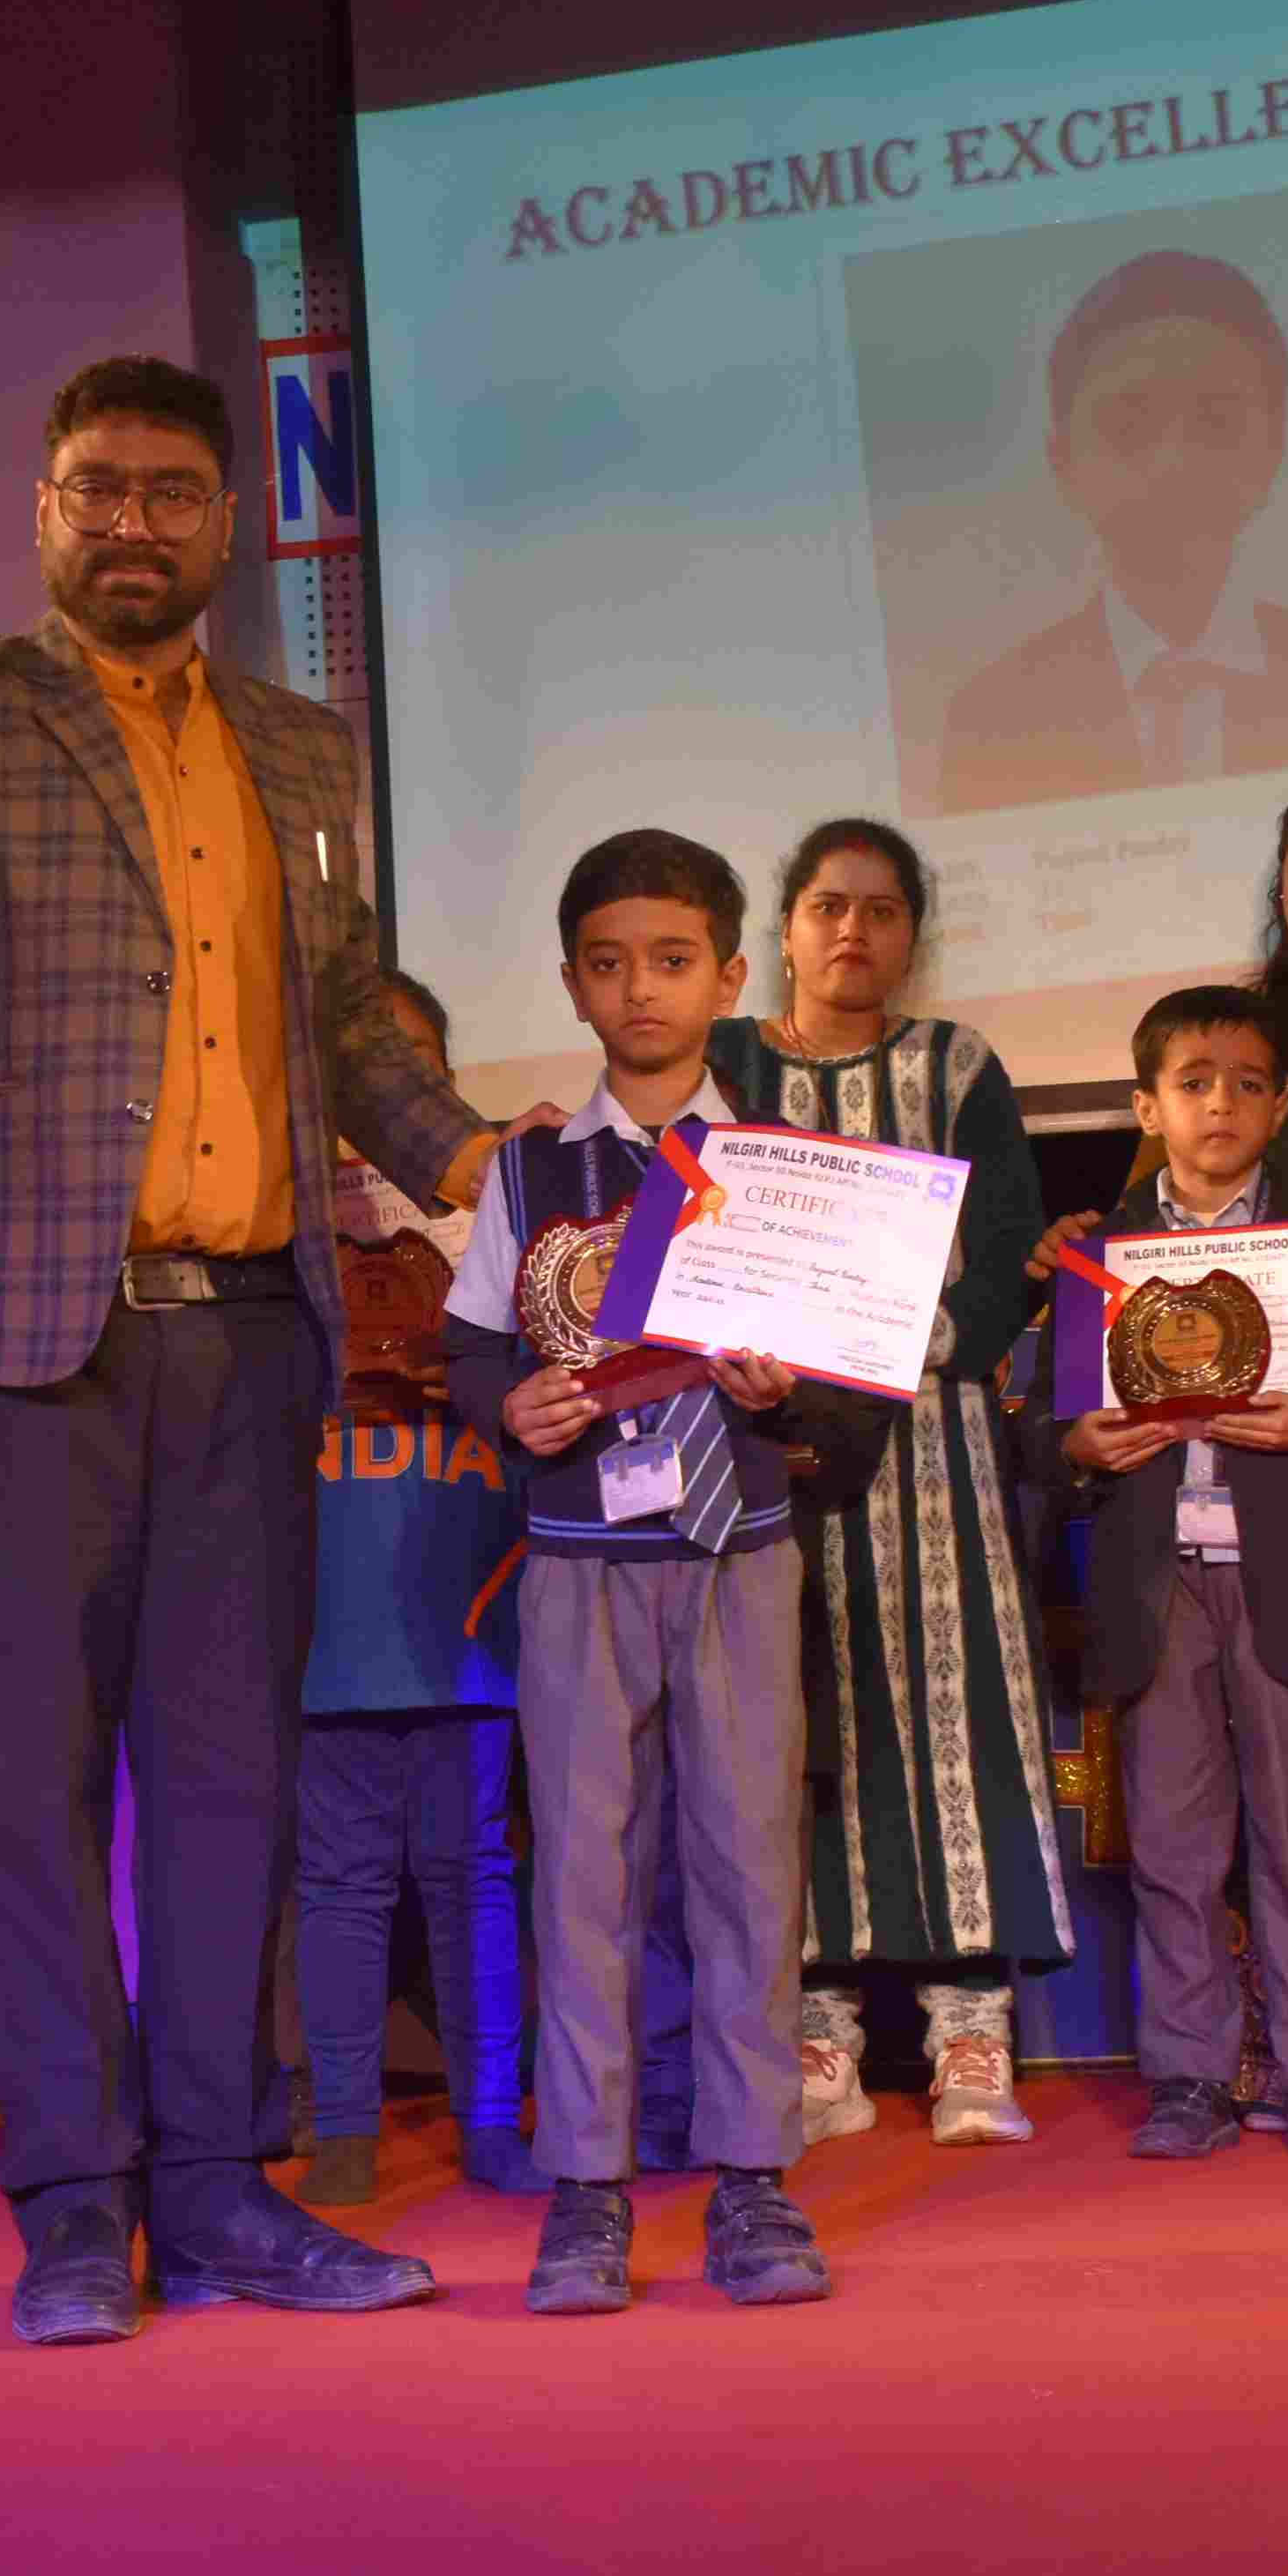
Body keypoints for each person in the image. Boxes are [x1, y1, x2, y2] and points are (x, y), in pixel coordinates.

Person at [0, 352, 497, 2348]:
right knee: (26, 1798)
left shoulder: (297, 747)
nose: (132, 522)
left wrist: (487, 1167)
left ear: (227, 525)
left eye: (172, 492)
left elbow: (345, 1023)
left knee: (225, 1795)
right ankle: (67, 2209)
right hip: (23, 1354)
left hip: (250, 1342)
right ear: (42, 511)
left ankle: (214, 2194)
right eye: (96, 487)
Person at [445, 831, 852, 2315]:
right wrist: (509, 1406)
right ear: (572, 983)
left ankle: (751, 2181)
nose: (642, 990)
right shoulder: (534, 1166)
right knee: (581, 1874)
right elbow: (474, 1346)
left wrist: (789, 1392)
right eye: (609, 964)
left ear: (732, 977)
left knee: (748, 1865)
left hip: (739, 1548)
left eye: (673, 962)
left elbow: (851, 1372)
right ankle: (587, 2190)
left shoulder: (783, 1168)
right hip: (579, 1557)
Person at [708, 821, 1072, 2145]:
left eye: (879, 910)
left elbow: (1009, 1258)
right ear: (786, 929)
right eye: (826, 907)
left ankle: (972, 2034)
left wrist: (883, 1341)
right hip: (766, 1443)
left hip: (936, 1444)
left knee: (953, 1712)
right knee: (796, 1719)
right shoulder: (727, 1065)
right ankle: (820, 2039)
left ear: (913, 933)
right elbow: (692, 1228)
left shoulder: (954, 1065)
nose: (852, 931)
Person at [1031, 987, 1288, 2160]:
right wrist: (1075, 1446)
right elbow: (1039, 1429)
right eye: (1194, 1082)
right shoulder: (1097, 1257)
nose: (1221, 1103)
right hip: (1157, 1586)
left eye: (1249, 1083)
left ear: (1278, 1105)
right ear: (1145, 1107)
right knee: (1173, 1846)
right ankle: (1190, 2080)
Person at [294, 972, 540, 2202]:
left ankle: (491, 2117)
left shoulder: (502, 1219)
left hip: (463, 1595)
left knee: (472, 1872)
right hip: (327, 1605)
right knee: (337, 1882)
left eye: (413, 1064)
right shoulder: (278, 1220)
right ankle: (343, 2124)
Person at [934, 251, 1288, 812]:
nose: (1174, 461)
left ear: (1272, 451)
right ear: (1064, 463)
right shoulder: (992, 722)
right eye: (1129, 423)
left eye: (1216, 420)